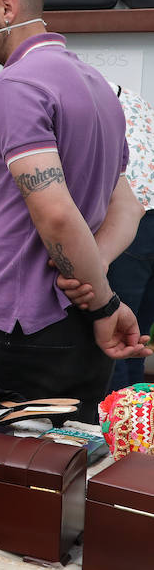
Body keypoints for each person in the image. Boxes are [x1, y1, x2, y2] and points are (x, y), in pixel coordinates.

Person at [0, 0, 148, 420]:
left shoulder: (16, 86)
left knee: (8, 478)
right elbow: (129, 206)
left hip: (21, 327)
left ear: (7, 6)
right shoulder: (97, 85)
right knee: (67, 472)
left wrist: (99, 300)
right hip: (77, 330)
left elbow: (54, 212)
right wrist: (95, 284)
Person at [106, 83, 154, 391]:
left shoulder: (92, 104)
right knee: (137, 337)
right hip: (149, 217)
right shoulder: (138, 104)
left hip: (131, 219)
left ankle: (113, 427)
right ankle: (134, 428)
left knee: (116, 337)